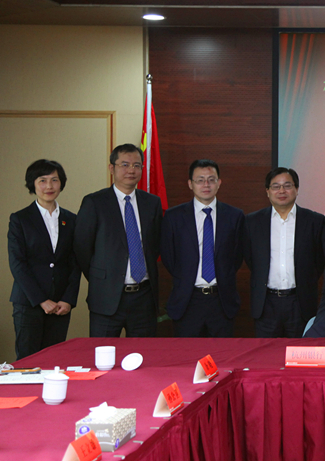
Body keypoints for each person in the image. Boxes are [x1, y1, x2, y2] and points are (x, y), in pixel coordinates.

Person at [74, 143, 163, 337]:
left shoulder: (152, 202)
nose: (131, 170)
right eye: (125, 164)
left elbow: (155, 244)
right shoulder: (94, 202)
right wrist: (103, 276)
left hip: (144, 297)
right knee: (104, 353)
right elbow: (82, 248)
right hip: (106, 296)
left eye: (137, 165)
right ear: (111, 168)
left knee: (143, 353)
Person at [161, 160, 244, 337]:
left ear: (219, 183)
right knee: (188, 352)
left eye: (211, 179)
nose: (206, 185)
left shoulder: (234, 216)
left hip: (221, 300)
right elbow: (169, 257)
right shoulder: (174, 216)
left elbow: (236, 257)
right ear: (190, 184)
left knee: (222, 353)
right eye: (200, 180)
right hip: (187, 300)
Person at [8, 160, 81, 360]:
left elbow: (76, 263)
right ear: (32, 184)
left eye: (54, 180)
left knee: (54, 361)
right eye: (42, 180)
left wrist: (68, 299)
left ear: (61, 183)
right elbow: (17, 264)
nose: (49, 186)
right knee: (28, 362)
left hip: (60, 305)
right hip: (29, 303)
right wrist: (41, 300)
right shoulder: (20, 219)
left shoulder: (72, 220)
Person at [245, 167, 325, 338]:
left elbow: (319, 261)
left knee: (300, 351)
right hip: (266, 303)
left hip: (300, 302)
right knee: (266, 352)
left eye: (287, 186)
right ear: (267, 191)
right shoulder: (252, 222)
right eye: (276, 186)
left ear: (296, 189)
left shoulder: (314, 221)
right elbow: (251, 259)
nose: (282, 191)